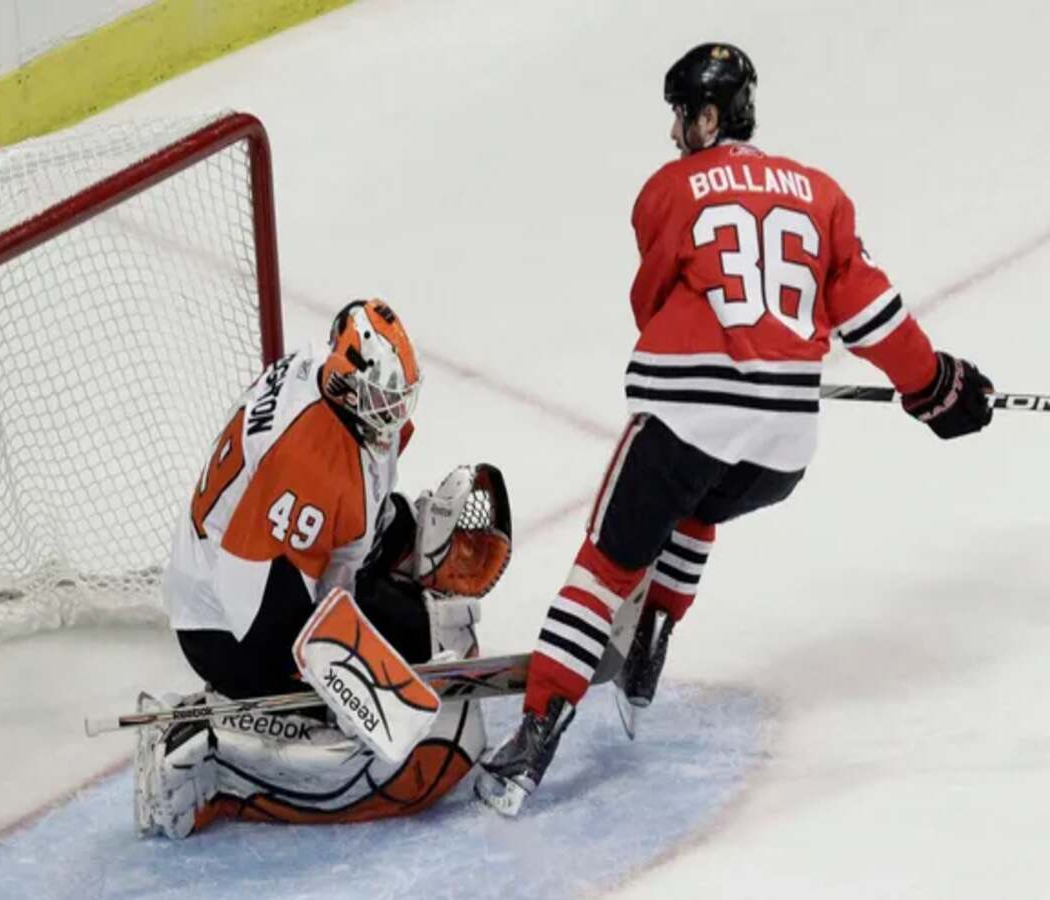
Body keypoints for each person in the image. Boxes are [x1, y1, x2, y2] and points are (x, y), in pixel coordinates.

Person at [475, 42, 994, 816]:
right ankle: (651, 643)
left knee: (604, 565)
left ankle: (530, 745)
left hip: (689, 415)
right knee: (699, 502)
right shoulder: (821, 194)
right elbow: (872, 316)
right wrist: (936, 387)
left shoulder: (668, 190)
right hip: (786, 445)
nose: (678, 130)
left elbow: (653, 304)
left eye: (683, 115)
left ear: (709, 114)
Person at [136, 298, 512, 836]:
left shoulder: (332, 391)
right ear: (347, 384)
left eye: (398, 398)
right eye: (383, 400)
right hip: (225, 626)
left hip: (238, 572)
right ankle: (210, 756)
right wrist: (340, 677)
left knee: (420, 629)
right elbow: (268, 607)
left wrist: (405, 538)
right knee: (404, 753)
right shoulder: (310, 458)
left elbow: (349, 524)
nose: (394, 414)